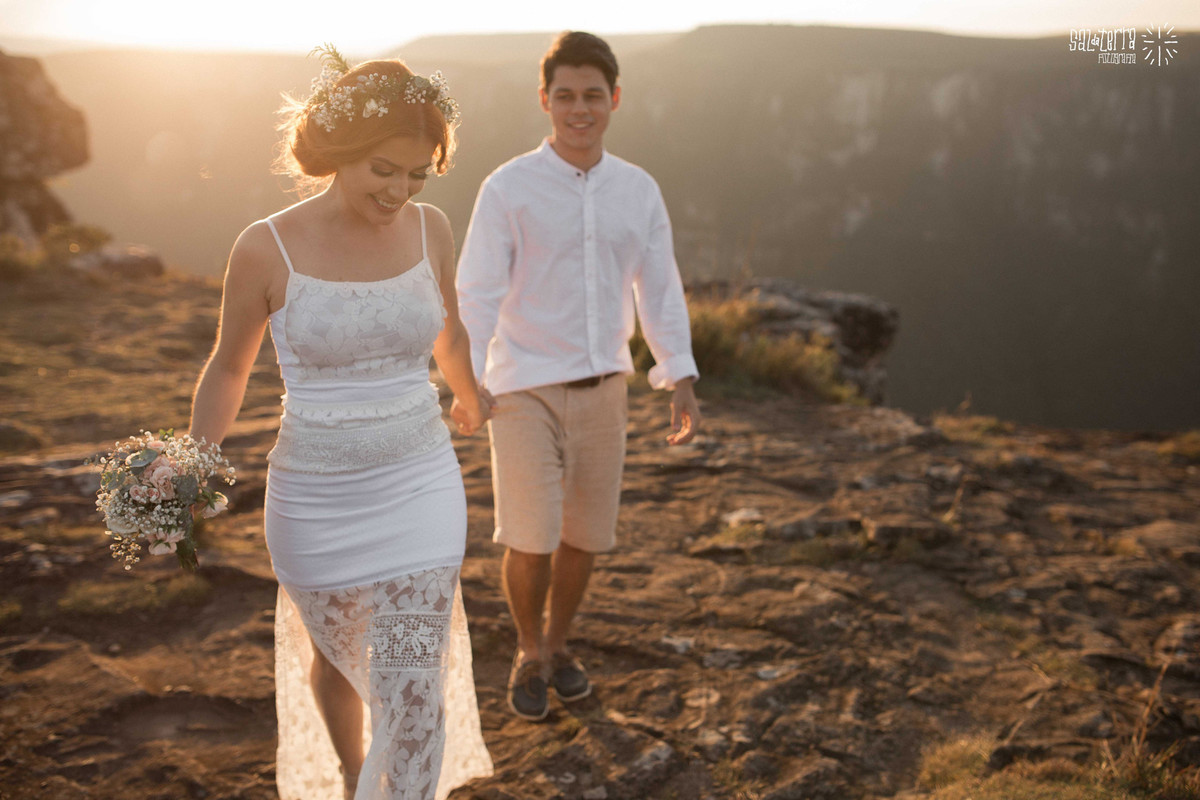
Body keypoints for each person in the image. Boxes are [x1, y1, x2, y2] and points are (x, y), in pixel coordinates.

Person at [187, 47, 493, 799]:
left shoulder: (431, 229)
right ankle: (357, 776)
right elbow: (229, 367)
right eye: (382, 170)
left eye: (417, 174)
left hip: (420, 482)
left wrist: (469, 396)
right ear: (338, 152)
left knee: (412, 678)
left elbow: (448, 331)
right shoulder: (265, 246)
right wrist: (195, 460)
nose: (399, 191)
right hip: (316, 500)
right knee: (336, 654)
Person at [456, 31, 701, 722]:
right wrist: (467, 380)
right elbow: (476, 290)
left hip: (605, 388)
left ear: (615, 99)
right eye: (565, 95)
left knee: (585, 535)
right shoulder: (507, 188)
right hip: (522, 387)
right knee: (529, 536)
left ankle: (560, 644)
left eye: (593, 95)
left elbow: (660, 287)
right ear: (545, 101)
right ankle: (528, 651)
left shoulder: (638, 190)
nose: (579, 109)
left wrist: (678, 375)